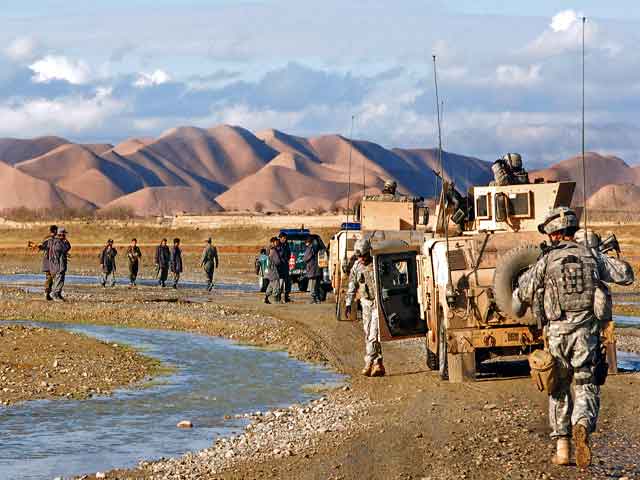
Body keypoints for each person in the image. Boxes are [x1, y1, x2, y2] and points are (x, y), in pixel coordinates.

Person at [514, 207, 634, 468]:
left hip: (557, 337)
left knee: (557, 389)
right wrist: (601, 256)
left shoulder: (547, 261)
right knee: (585, 385)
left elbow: (522, 291)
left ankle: (563, 449)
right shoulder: (592, 256)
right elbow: (626, 275)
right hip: (586, 336)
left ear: (554, 234)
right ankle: (582, 425)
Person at [345, 237, 385, 377]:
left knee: (373, 334)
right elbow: (352, 285)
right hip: (365, 303)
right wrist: (348, 303)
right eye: (359, 256)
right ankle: (378, 363)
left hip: (377, 304)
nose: (361, 259)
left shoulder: (377, 263)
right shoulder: (356, 266)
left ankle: (368, 362)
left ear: (368, 253)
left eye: (363, 256)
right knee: (369, 334)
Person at [48, 226, 71, 301]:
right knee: (58, 279)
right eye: (64, 234)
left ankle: (58, 294)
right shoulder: (58, 242)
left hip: (59, 265)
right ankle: (55, 294)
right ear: (61, 234)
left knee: (60, 279)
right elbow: (65, 248)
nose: (65, 236)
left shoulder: (57, 241)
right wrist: (66, 242)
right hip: (58, 265)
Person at [36, 225, 57, 300]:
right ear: (54, 231)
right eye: (56, 231)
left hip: (51, 261)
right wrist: (40, 246)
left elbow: (41, 247)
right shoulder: (49, 239)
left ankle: (48, 293)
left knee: (51, 277)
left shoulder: (48, 238)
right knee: (50, 277)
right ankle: (47, 293)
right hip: (49, 261)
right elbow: (42, 246)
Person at [303, 236, 322, 304]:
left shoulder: (309, 249)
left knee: (312, 285)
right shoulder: (317, 248)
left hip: (312, 269)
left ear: (308, 242)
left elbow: (305, 258)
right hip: (317, 269)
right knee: (316, 285)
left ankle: (313, 299)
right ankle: (317, 299)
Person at [264, 237, 282, 304]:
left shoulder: (268, 249)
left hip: (269, 271)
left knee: (271, 285)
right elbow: (277, 261)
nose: (277, 243)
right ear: (273, 242)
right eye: (276, 242)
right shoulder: (273, 250)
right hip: (273, 270)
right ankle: (276, 300)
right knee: (276, 285)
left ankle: (266, 298)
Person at [278, 232, 292, 302]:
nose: (285, 239)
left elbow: (289, 253)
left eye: (286, 238)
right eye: (284, 238)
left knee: (288, 283)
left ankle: (286, 297)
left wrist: (287, 259)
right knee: (280, 284)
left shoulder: (286, 245)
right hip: (280, 268)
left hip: (286, 266)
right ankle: (278, 298)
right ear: (280, 238)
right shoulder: (278, 245)